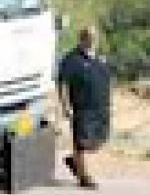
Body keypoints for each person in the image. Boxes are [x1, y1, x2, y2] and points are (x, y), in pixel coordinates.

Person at [58, 27, 111, 189]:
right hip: (82, 108)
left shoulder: (100, 59)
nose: (93, 41)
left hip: (100, 108)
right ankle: (84, 178)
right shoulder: (71, 59)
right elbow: (62, 84)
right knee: (81, 143)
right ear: (82, 39)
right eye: (89, 37)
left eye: (95, 37)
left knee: (98, 142)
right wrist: (66, 106)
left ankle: (74, 161)